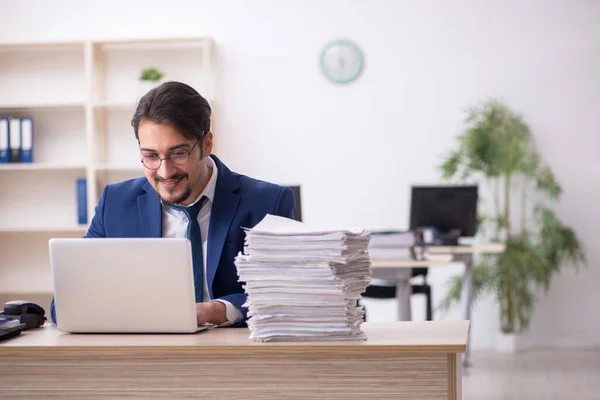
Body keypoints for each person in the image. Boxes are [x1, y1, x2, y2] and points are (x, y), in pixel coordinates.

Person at [50, 81, 295, 327]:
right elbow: (65, 303)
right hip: (142, 355)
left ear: (207, 144)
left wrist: (216, 310)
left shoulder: (267, 202)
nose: (165, 172)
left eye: (179, 154)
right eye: (151, 156)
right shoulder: (115, 203)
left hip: (233, 354)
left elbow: (287, 291)